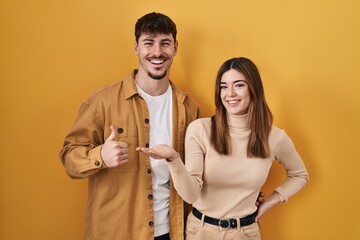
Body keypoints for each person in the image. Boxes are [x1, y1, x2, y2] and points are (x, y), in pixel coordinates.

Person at [59, 12, 199, 240]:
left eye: (165, 43)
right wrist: (100, 156)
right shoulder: (102, 102)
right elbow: (68, 157)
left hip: (171, 231)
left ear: (175, 47)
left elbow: (197, 173)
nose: (157, 52)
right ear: (136, 47)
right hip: (117, 232)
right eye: (148, 43)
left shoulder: (189, 108)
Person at [137, 57, 309, 240]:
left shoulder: (274, 137)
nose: (230, 93)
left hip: (245, 233)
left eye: (239, 85)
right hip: (200, 231)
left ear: (254, 88)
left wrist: (269, 202)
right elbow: (190, 194)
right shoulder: (200, 129)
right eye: (224, 86)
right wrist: (173, 159)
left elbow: (300, 175)